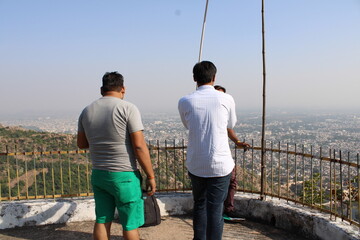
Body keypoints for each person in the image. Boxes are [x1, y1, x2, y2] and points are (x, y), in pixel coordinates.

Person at [77, 72, 156, 240]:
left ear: (101, 89)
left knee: (102, 219)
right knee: (130, 224)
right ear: (123, 89)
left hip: (99, 173)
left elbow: (82, 144)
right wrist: (150, 175)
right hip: (125, 175)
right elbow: (139, 146)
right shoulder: (128, 108)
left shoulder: (86, 111)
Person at [178, 61, 237, 240]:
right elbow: (231, 124)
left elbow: (187, 125)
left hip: (196, 163)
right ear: (214, 78)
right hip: (220, 164)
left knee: (200, 206)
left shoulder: (185, 101)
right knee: (216, 210)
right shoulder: (227, 98)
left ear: (194, 78)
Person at [214, 85, 250, 220]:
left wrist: (237, 142)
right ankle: (223, 210)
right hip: (218, 155)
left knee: (231, 182)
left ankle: (228, 209)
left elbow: (229, 129)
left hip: (223, 155)